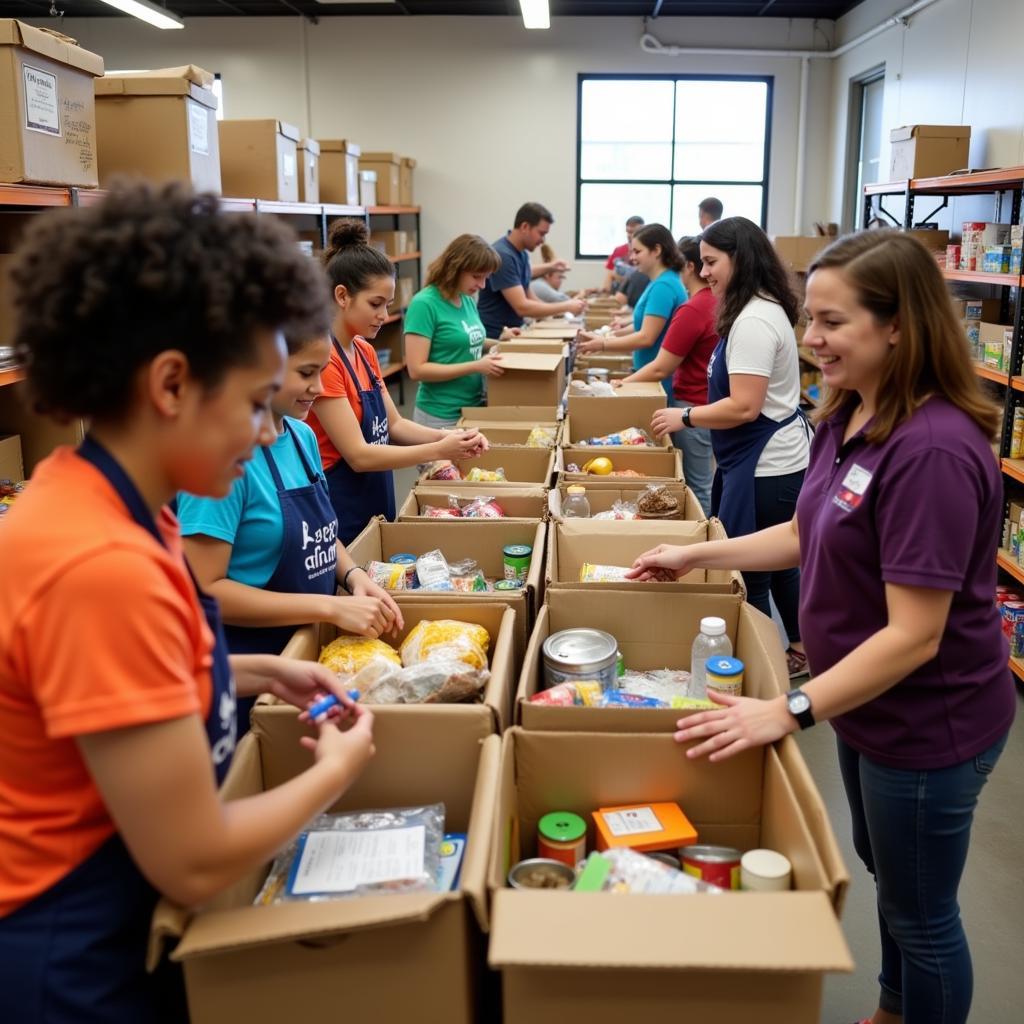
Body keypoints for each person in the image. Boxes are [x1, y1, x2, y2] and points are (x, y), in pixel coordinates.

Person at [0, 182, 377, 1022]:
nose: (270, 432)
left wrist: (250, 673)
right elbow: (196, 861)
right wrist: (339, 773)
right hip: (70, 946)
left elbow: (121, 691)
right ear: (171, 383)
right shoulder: (98, 564)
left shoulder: (119, 500)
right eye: (254, 403)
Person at [629, 229, 1015, 1024]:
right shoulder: (852, 415)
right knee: (890, 876)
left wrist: (791, 708)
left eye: (833, 323)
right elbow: (811, 531)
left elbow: (915, 635)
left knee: (923, 913)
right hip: (866, 706)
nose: (810, 339)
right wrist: (700, 554)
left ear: (898, 324)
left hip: (927, 720)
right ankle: (889, 1008)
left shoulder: (933, 450)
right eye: (813, 319)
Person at [178, 331, 404, 732]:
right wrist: (330, 608)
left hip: (304, 650)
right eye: (306, 373)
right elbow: (206, 589)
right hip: (248, 665)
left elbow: (319, 530)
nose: (318, 388)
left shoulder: (301, 437)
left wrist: (352, 576)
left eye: (322, 372)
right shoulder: (223, 461)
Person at [651, 216, 809, 676]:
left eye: (712, 262)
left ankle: (763, 664)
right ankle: (796, 647)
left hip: (767, 466)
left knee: (754, 571)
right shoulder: (752, 310)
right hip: (760, 460)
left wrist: (684, 414)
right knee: (779, 567)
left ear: (741, 259)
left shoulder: (756, 320)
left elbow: (743, 406)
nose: (704, 273)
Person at [307, 220, 488, 544]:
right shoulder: (325, 361)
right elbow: (358, 455)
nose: (383, 315)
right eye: (375, 304)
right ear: (342, 296)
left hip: (375, 494)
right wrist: (437, 449)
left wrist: (453, 438)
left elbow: (395, 424)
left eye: (388, 305)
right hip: (341, 503)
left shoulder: (364, 350)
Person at [617, 236, 717, 515]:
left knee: (697, 484)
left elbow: (662, 366)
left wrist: (621, 384)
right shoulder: (711, 302)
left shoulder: (695, 308)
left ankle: (703, 537)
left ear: (688, 267)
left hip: (692, 404)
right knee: (702, 480)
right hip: (704, 403)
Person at [405, 234, 506, 430]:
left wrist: (503, 342)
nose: (482, 285)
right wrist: (476, 366)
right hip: (439, 416)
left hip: (470, 408)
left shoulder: (466, 299)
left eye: (486, 278)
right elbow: (417, 370)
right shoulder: (424, 304)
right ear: (455, 268)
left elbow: (469, 339)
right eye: (477, 277)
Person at [576, 223, 687, 396]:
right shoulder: (658, 282)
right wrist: (607, 336)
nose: (632, 258)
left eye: (637, 251)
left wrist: (604, 344)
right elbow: (643, 325)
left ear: (656, 250)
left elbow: (646, 337)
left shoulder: (664, 286)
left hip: (657, 383)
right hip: (647, 375)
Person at [476, 202, 585, 340]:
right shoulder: (504, 255)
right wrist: (566, 306)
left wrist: (559, 312)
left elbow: (530, 297)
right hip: (495, 336)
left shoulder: (521, 254)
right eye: (541, 233)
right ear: (525, 227)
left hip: (513, 332)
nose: (543, 240)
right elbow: (522, 307)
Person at [599, 214, 645, 292]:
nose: (629, 235)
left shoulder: (646, 252)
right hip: (617, 291)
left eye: (633, 232)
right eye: (628, 232)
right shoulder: (618, 250)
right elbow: (608, 275)